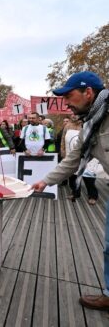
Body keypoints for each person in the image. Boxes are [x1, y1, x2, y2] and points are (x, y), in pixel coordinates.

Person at [32, 71, 109, 310]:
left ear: (88, 92)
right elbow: (72, 160)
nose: (65, 102)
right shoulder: (90, 123)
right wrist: (45, 181)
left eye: (69, 95)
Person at [61, 114, 98, 205]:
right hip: (72, 154)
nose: (74, 116)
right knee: (73, 176)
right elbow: (63, 139)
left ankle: (92, 196)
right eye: (72, 114)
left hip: (87, 156)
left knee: (88, 177)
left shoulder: (89, 123)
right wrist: (63, 150)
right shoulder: (67, 126)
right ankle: (75, 193)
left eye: (76, 115)